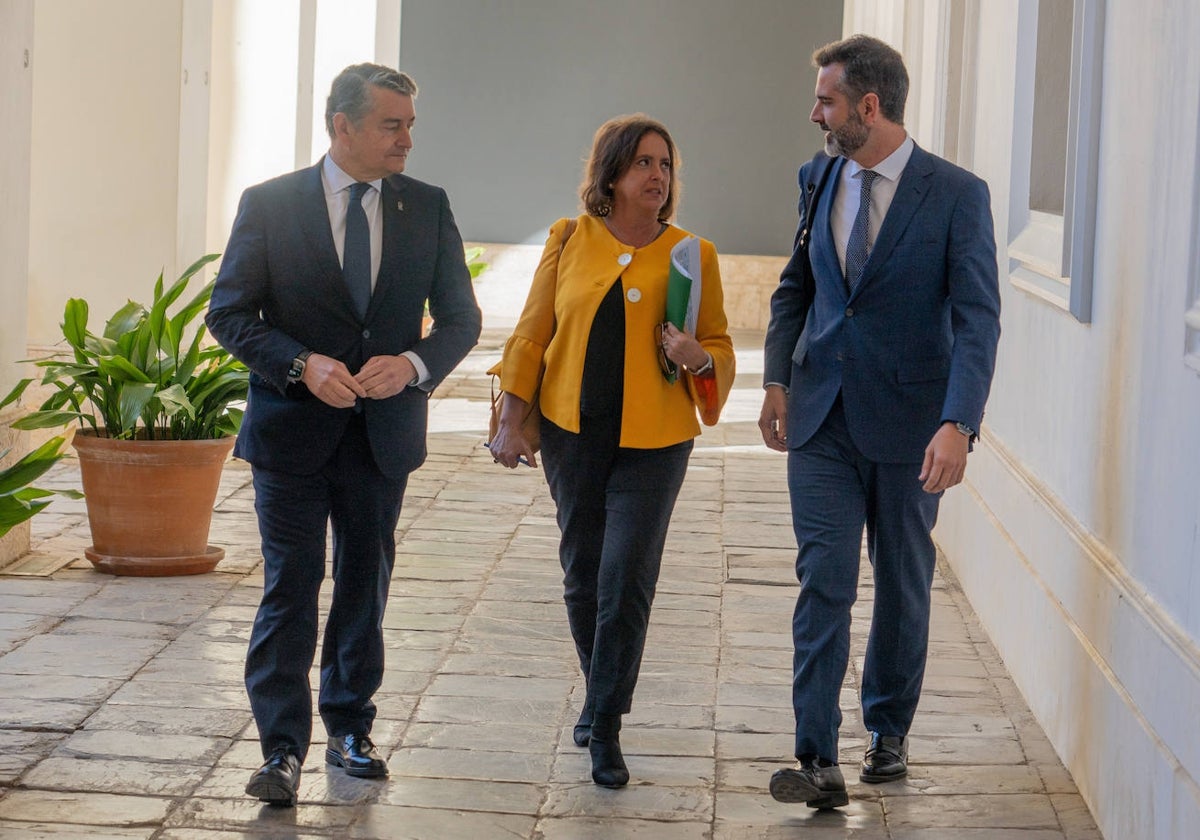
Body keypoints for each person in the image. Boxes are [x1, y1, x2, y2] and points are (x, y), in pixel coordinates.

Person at [206, 63, 482, 807]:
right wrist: (298, 363)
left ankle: (351, 728)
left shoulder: (427, 206)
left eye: (411, 124)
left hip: (381, 435)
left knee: (366, 584)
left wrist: (415, 364)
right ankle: (282, 749)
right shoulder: (270, 205)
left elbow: (462, 318)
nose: (407, 140)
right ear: (343, 126)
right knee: (290, 589)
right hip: (291, 436)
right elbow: (229, 314)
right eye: (392, 124)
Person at [758, 35, 1001, 809]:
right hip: (821, 414)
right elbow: (795, 287)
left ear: (868, 106)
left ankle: (888, 731)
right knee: (823, 577)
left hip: (911, 424)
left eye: (826, 100)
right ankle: (817, 756)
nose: (814, 114)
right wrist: (773, 377)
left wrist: (959, 422)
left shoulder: (957, 194)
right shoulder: (817, 175)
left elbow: (977, 319)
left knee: (902, 582)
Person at [490, 114, 734, 788]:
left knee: (627, 575)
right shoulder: (569, 239)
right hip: (573, 433)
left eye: (665, 165)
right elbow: (534, 332)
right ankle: (602, 698)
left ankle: (606, 723)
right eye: (644, 164)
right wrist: (512, 419)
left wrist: (696, 358)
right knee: (583, 572)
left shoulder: (693, 253)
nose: (657, 176)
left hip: (655, 442)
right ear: (612, 174)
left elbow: (717, 348)